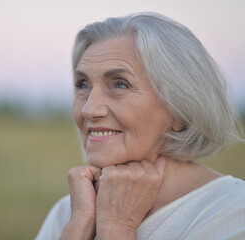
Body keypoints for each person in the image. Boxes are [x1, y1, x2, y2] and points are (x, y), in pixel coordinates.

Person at [36, 12, 245, 240]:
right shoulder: (71, 211)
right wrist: (78, 228)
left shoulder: (234, 214)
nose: (89, 109)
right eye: (83, 84)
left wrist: (117, 228)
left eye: (119, 84)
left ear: (179, 108)